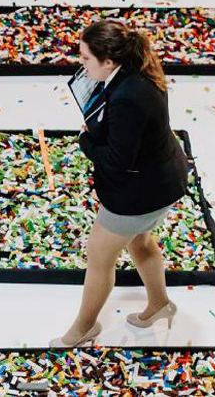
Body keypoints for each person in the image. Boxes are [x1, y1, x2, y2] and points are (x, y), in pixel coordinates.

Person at [51, 20, 186, 348]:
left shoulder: (128, 97)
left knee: (98, 258)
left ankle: (84, 327)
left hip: (141, 191)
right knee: (140, 243)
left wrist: (85, 141)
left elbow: (117, 159)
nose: (81, 65)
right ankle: (160, 305)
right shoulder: (136, 70)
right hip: (165, 178)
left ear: (109, 61)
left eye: (85, 59)